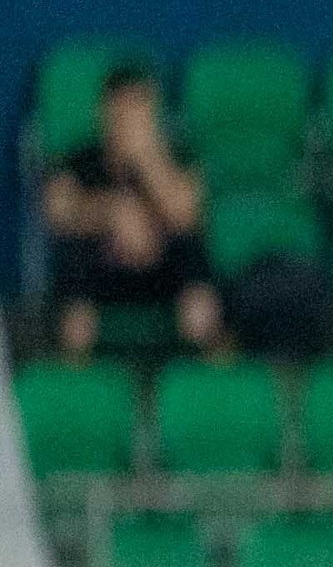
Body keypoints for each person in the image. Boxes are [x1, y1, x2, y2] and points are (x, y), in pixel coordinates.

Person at [43, 63, 222, 358]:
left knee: (193, 255)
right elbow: (58, 213)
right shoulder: (76, 161)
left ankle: (196, 388)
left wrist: (146, 161)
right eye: (122, 109)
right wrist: (110, 212)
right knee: (71, 260)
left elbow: (185, 214)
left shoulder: (181, 158)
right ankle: (78, 381)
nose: (130, 119)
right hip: (102, 272)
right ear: (104, 111)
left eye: (140, 109)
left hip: (161, 271)